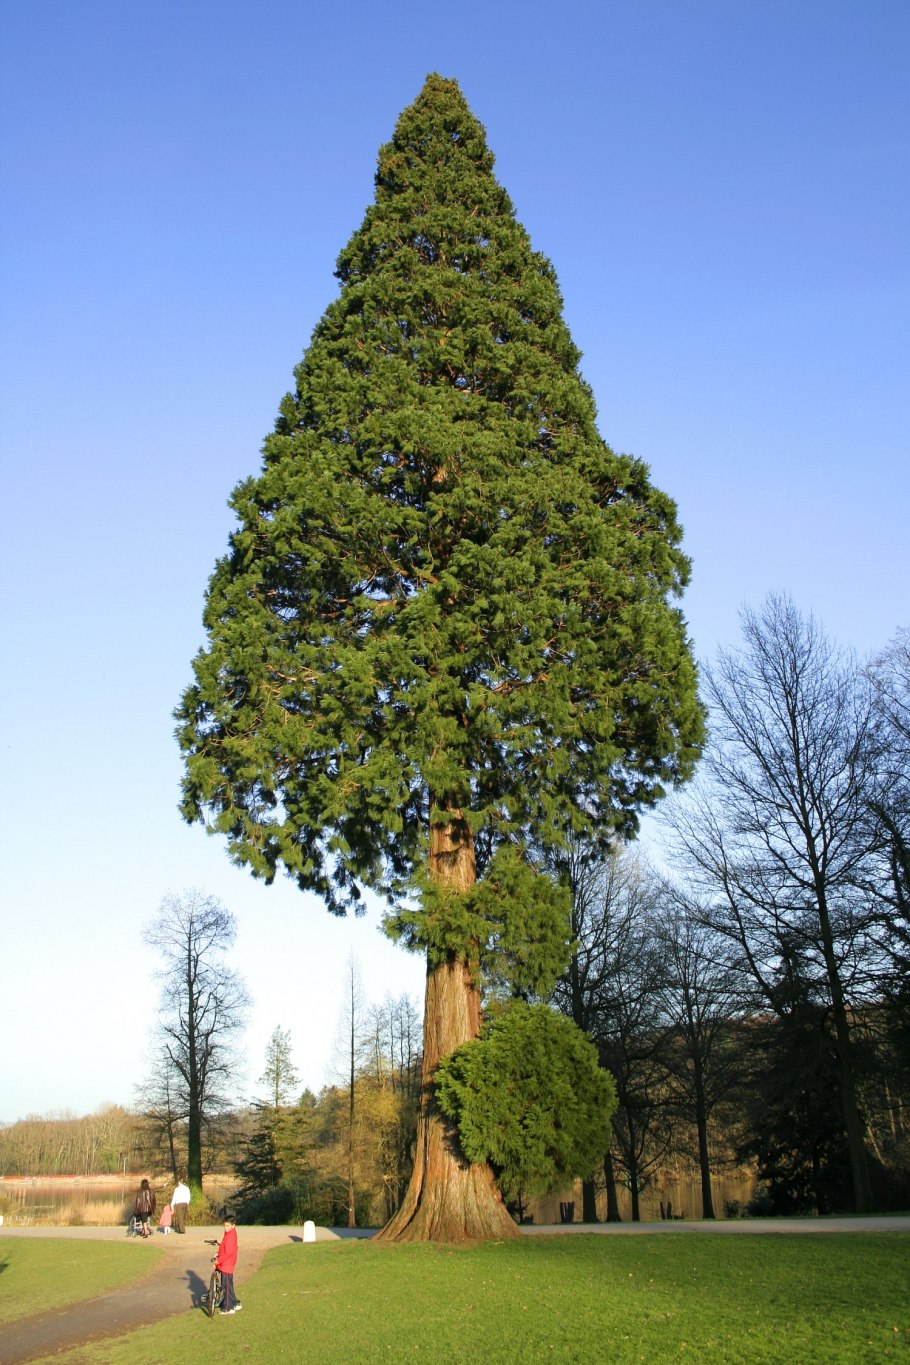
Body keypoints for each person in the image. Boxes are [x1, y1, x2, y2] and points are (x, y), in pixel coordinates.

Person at [214, 1213, 241, 1314]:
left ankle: (227, 1307)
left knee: (226, 1286)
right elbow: (224, 1247)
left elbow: (228, 1252)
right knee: (229, 1285)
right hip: (226, 1263)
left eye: (228, 1226)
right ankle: (234, 1303)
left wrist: (218, 1260)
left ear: (233, 1225)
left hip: (227, 1264)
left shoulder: (231, 1236)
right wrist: (218, 1253)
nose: (225, 1228)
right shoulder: (229, 1233)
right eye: (225, 1226)